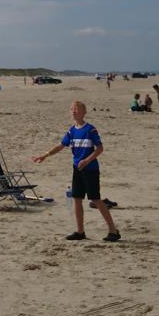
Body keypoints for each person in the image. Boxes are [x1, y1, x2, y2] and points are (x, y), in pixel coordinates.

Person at [32, 101, 121, 241]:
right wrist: (44, 155)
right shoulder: (71, 131)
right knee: (77, 199)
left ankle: (113, 231)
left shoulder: (90, 129)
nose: (73, 111)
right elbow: (61, 145)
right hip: (77, 169)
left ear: (84, 112)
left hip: (90, 169)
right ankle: (80, 232)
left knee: (96, 199)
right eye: (72, 109)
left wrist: (87, 160)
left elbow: (100, 149)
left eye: (76, 109)